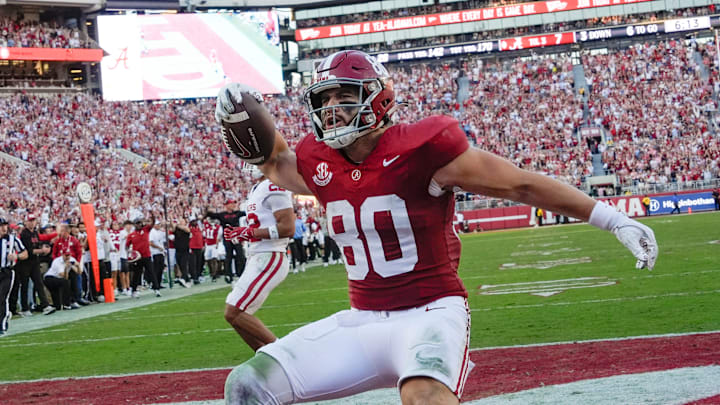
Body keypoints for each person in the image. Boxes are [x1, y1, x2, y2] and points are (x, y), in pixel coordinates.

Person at [215, 50, 658, 405]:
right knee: (247, 386)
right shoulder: (318, 160)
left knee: (423, 397)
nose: (331, 109)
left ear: (377, 98)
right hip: (361, 321)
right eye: (324, 99)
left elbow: (520, 185)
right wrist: (239, 110)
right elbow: (273, 160)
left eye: (344, 96)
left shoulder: (422, 147)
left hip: (430, 313)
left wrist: (611, 218)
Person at [223, 163, 295, 351]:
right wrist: (247, 233)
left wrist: (251, 233)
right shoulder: (259, 187)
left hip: (270, 255)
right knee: (235, 313)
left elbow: (288, 228)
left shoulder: (274, 185)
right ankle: (265, 357)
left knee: (234, 311)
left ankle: (284, 356)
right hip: (258, 254)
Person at [206, 200, 247, 283]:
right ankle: (228, 275)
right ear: (227, 205)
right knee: (229, 256)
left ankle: (241, 273)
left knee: (240, 255)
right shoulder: (222, 215)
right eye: (231, 204)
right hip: (228, 238)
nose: (233, 205)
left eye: (233, 204)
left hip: (236, 237)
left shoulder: (237, 213)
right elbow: (211, 215)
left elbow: (247, 213)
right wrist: (208, 208)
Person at [1, 217, 28, 336]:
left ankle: (2, 324)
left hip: (7, 271)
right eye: (1, 225)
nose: (3, 228)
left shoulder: (12, 239)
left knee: (2, 297)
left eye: (5, 225)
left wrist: (16, 257)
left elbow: (25, 253)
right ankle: (6, 315)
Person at [126, 216, 161, 298]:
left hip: (146, 255)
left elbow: (152, 223)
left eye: (139, 223)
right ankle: (134, 290)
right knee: (137, 274)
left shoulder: (145, 230)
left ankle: (156, 289)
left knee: (151, 272)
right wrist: (130, 253)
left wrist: (152, 215)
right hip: (137, 257)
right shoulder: (131, 235)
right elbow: (127, 246)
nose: (138, 225)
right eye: (137, 223)